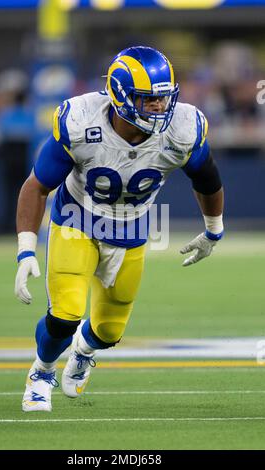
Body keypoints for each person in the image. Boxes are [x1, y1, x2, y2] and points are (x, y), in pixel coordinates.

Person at [15, 46, 224, 412]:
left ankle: (83, 352)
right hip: (77, 220)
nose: (159, 108)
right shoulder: (81, 122)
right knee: (65, 314)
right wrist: (26, 248)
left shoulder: (183, 129)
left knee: (109, 331)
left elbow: (207, 178)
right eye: (148, 100)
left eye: (163, 99)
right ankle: (42, 371)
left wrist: (213, 229)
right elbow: (37, 185)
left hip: (131, 228)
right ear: (120, 94)